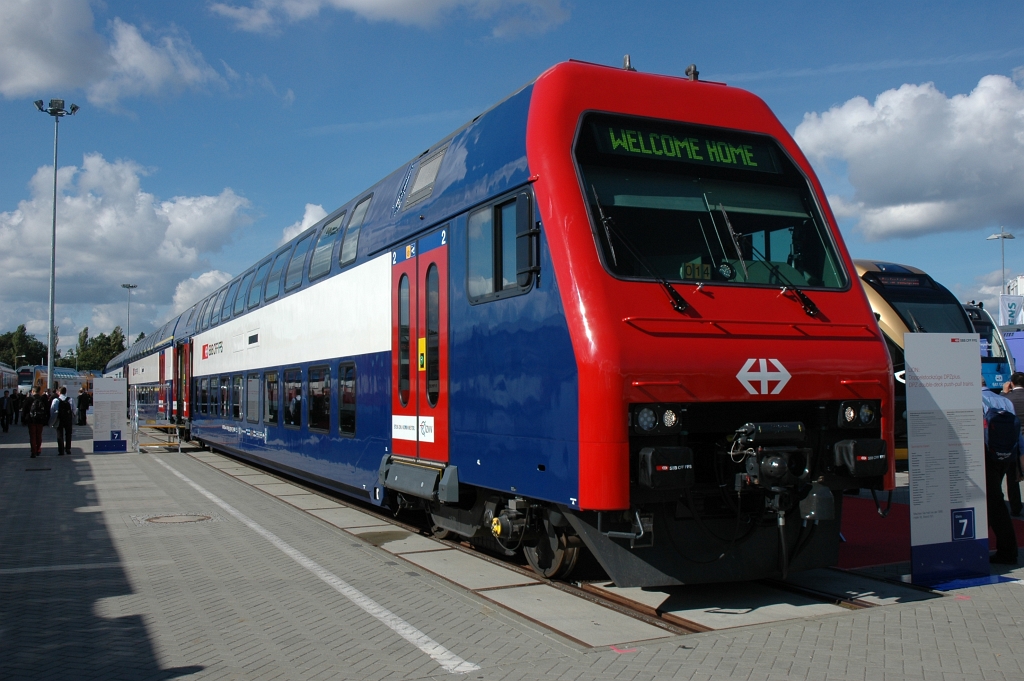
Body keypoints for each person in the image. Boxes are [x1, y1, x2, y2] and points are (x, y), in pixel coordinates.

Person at [982, 379, 1022, 564]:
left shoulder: (977, 400)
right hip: (1005, 455)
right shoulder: (1004, 401)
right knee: (993, 498)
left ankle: (1007, 551)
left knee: (994, 502)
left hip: (986, 456)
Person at [1001, 372, 1024, 516]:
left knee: (1012, 476)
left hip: (1014, 441)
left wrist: (1004, 392)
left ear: (1012, 383)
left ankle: (1016, 508)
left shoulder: (1006, 399)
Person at [23, 387, 48, 457]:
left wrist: (23, 420)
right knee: (39, 435)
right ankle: (38, 449)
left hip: (31, 420)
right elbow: (47, 409)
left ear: (33, 391)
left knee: (32, 436)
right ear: (39, 391)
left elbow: (24, 410)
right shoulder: (43, 399)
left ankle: (33, 451)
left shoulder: (29, 399)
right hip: (40, 420)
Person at [50, 386, 75, 456]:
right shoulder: (70, 399)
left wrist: (53, 419)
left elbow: (52, 410)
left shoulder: (56, 400)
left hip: (59, 419)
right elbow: (74, 410)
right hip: (68, 419)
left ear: (59, 392)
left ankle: (61, 451)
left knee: (60, 434)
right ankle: (68, 449)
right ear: (66, 392)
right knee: (68, 434)